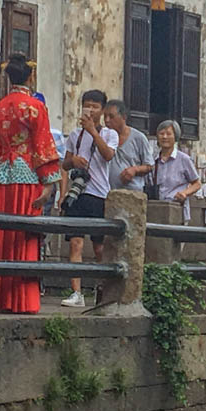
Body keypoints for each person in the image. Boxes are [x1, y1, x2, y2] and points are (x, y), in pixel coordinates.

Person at [0, 55, 61, 314]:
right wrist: (48, 184)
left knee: (2, 236)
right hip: (28, 175)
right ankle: (21, 300)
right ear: (30, 76)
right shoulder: (35, 107)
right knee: (24, 236)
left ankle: (0, 298)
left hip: (3, 175)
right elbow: (43, 147)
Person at [60, 90, 119, 308]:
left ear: (102, 110)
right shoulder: (75, 135)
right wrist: (73, 160)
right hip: (77, 193)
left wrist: (93, 132)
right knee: (75, 243)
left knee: (99, 248)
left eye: (95, 106)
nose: (90, 110)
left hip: (98, 194)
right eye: (87, 105)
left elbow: (108, 155)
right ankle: (76, 292)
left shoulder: (109, 134)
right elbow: (64, 165)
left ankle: (102, 289)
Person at [153, 120, 202, 224]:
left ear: (176, 137)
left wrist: (184, 193)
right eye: (161, 134)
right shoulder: (154, 160)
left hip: (177, 209)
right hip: (158, 209)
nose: (165, 137)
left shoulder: (184, 159)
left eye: (169, 134)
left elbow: (197, 183)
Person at [104, 99, 153, 192]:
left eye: (111, 117)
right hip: (107, 192)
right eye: (105, 116)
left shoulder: (138, 138)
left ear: (123, 117)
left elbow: (150, 166)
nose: (107, 120)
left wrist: (135, 169)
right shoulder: (103, 137)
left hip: (132, 194)